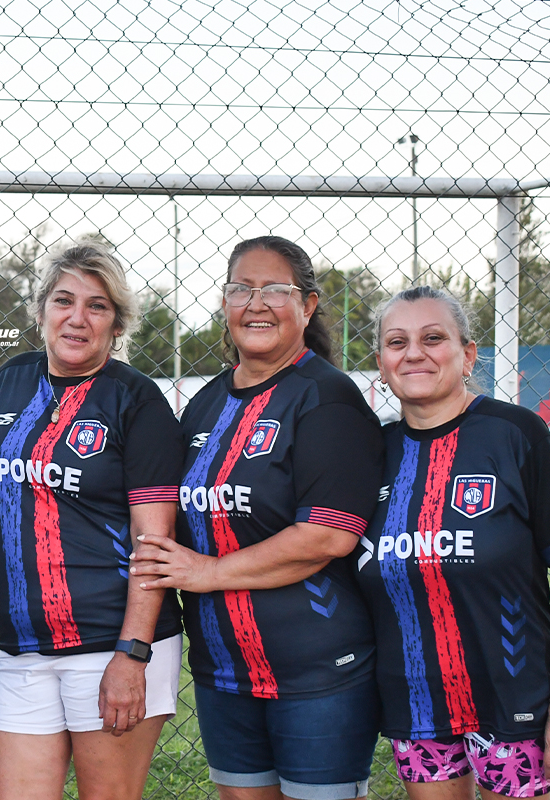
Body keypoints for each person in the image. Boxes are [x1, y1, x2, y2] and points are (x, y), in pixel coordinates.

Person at [132, 235, 384, 800]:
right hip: (225, 672)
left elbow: (328, 536)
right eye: (241, 289)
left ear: (309, 305)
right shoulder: (204, 405)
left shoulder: (327, 399)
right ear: (225, 304)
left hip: (318, 672)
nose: (256, 303)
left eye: (275, 289)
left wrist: (209, 573)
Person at [0, 239, 185, 800]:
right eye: (63, 300)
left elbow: (153, 542)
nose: (77, 318)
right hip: (24, 649)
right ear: (40, 314)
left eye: (97, 306)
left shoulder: (135, 400)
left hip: (114, 644)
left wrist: (133, 654)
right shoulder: (9, 381)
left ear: (116, 324)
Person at [354, 285, 550, 800]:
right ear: (381, 362)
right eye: (397, 342)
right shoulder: (370, 452)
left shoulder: (514, 434)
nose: (414, 352)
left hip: (514, 695)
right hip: (416, 699)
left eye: (433, 337)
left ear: (468, 354)